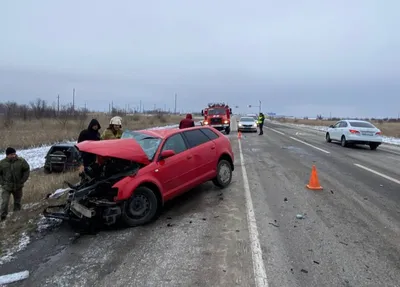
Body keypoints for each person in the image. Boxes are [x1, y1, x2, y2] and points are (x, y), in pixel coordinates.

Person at [0, 147, 30, 221]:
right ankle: (3, 217)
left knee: (17, 202)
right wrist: (2, 183)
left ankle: (16, 217)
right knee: (5, 202)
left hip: (18, 186)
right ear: (7, 155)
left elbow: (26, 170)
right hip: (6, 187)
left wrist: (23, 180)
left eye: (14, 154)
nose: (13, 155)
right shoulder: (2, 163)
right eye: (11, 154)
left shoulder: (21, 161)